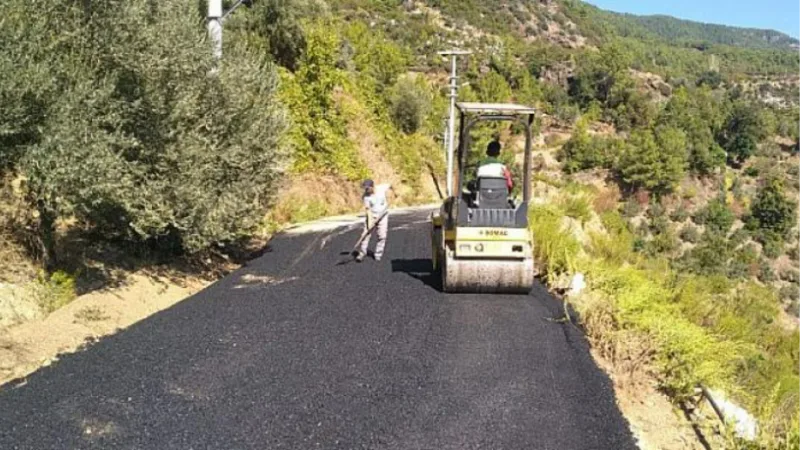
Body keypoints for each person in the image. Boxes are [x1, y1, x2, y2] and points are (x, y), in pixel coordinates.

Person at [356, 179, 392, 262]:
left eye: (367, 188)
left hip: (383, 215)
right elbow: (368, 210)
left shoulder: (381, 188)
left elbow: (391, 185)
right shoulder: (366, 197)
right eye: (365, 188)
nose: (366, 190)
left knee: (382, 236)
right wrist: (370, 223)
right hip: (372, 216)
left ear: (372, 187)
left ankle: (378, 254)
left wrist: (395, 194)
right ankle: (362, 253)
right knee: (365, 234)